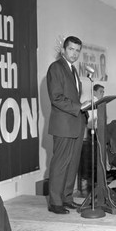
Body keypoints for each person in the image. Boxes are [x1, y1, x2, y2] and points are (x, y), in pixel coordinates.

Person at [46, 36, 87, 215]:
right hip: (63, 125)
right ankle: (55, 202)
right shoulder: (56, 68)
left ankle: (67, 198)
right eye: (71, 49)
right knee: (60, 163)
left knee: (72, 164)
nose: (74, 53)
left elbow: (72, 97)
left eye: (77, 50)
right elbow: (56, 98)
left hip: (76, 123)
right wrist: (79, 107)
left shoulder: (72, 70)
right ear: (63, 50)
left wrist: (84, 106)